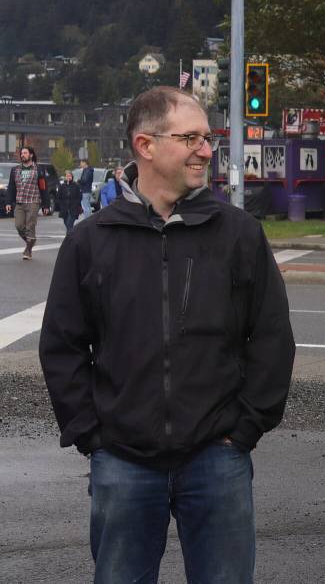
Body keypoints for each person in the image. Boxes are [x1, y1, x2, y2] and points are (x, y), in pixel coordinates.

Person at [39, 86, 296, 583]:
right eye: (192, 138)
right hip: (123, 460)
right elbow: (62, 345)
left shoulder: (238, 233)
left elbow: (271, 338)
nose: (206, 150)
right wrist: (93, 436)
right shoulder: (92, 241)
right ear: (146, 145)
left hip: (217, 456)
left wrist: (244, 428)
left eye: (209, 138)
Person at [5, 146, 51, 260]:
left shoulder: (39, 170)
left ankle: (28, 250)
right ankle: (31, 241)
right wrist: (8, 202)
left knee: (30, 226)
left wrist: (46, 205)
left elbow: (43, 188)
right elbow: (11, 187)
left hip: (33, 201)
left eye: (25, 153)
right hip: (19, 201)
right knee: (19, 226)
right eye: (21, 153)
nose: (22, 155)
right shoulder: (15, 170)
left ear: (31, 155)